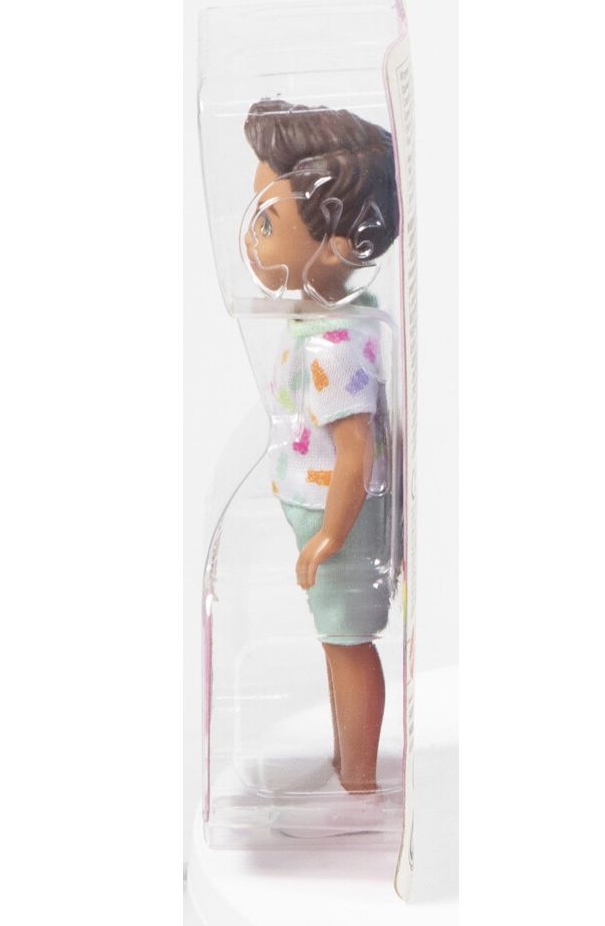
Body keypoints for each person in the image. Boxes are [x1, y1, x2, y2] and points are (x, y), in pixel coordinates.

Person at [241, 97, 400, 795]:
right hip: (321, 510)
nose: (250, 240)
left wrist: (330, 537)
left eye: (266, 224)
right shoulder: (326, 321)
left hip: (340, 517)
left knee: (347, 644)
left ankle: (359, 782)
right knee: (335, 641)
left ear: (339, 247)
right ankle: (347, 766)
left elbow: (355, 454)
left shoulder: (333, 345)